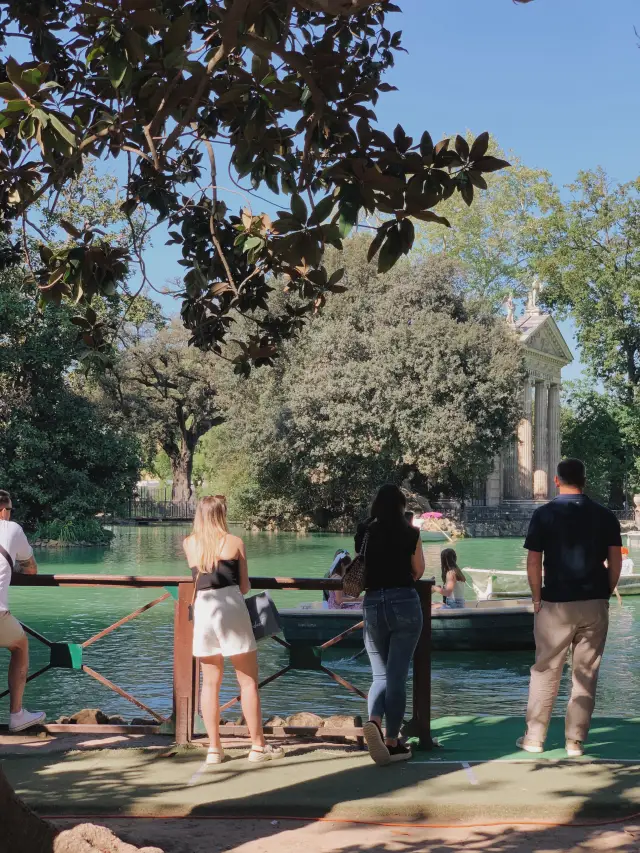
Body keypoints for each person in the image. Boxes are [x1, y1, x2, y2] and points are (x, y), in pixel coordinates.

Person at [518, 459, 622, 758]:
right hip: (594, 601)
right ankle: (575, 741)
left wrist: (536, 598)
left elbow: (534, 561)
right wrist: (605, 592)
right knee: (586, 674)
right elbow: (615, 561)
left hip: (555, 603)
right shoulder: (605, 516)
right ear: (585, 480)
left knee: (545, 671)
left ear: (556, 480)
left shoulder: (543, 514)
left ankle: (534, 738)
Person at [183, 495, 284, 765]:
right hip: (230, 608)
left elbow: (200, 578)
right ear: (222, 514)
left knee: (210, 683)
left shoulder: (189, 543)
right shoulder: (235, 542)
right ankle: (257, 746)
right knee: (248, 681)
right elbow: (245, 586)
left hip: (204, 610)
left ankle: (214, 749)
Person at [356, 484, 426, 765]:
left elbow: (362, 565)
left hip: (373, 603)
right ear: (401, 506)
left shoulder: (364, 531)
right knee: (397, 677)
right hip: (404, 602)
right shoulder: (411, 532)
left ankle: (374, 721)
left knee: (380, 676)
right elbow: (418, 570)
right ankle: (392, 741)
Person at [0, 490, 46, 732]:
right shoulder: (11, 529)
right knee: (20, 645)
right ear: (3, 511)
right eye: (9, 510)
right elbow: (31, 569)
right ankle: (17, 715)